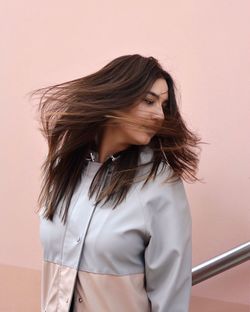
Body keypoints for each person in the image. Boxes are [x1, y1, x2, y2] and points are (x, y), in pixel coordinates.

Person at [32, 54, 202, 312]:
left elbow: (171, 294)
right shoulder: (64, 169)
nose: (159, 115)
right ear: (117, 97)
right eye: (149, 101)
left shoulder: (159, 185)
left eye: (163, 105)